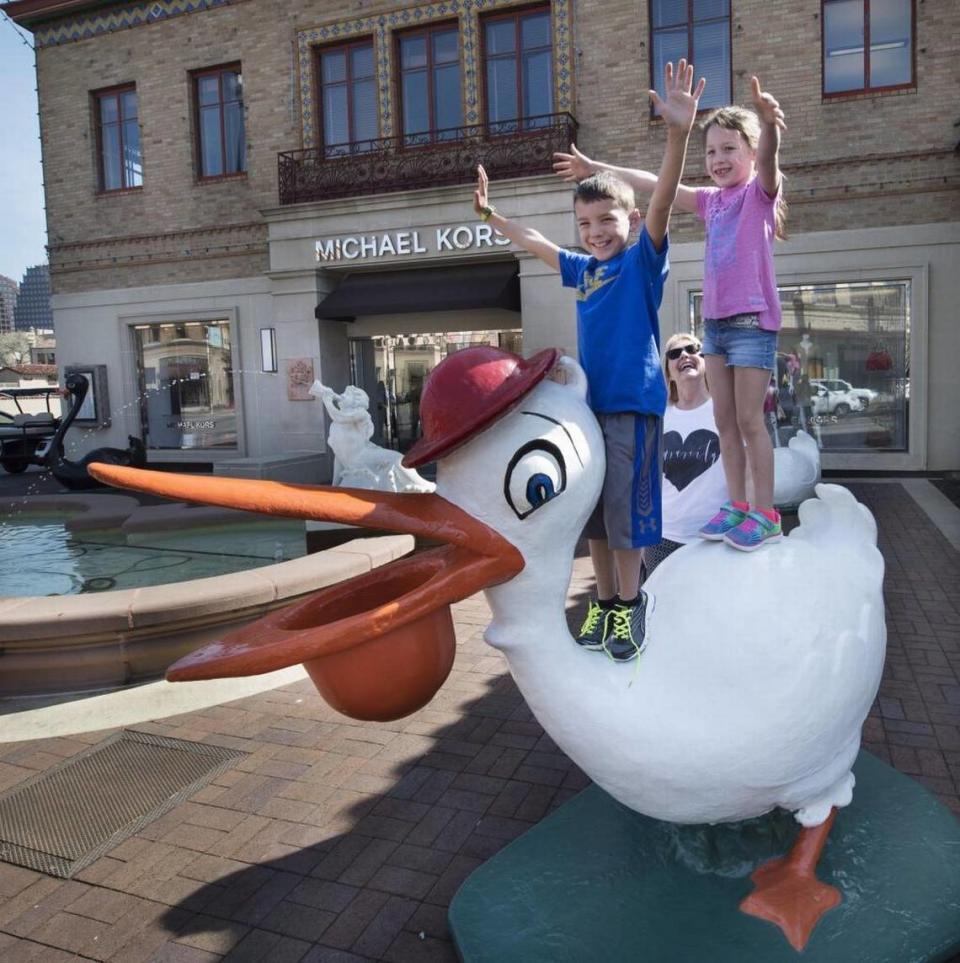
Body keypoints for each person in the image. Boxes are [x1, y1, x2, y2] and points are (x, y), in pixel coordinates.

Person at [472, 60, 705, 662]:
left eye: (607, 220)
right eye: (586, 223)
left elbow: (662, 206)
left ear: (629, 221)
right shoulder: (587, 269)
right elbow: (539, 244)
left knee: (629, 519)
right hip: (589, 413)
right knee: (597, 519)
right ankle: (604, 604)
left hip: (632, 407)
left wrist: (678, 135)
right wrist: (492, 218)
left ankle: (631, 606)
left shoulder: (639, 262)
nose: (596, 231)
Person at [554, 76, 787, 551]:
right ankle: (738, 505)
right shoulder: (710, 202)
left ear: (749, 152)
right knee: (723, 422)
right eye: (711, 152)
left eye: (729, 149)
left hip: (752, 324)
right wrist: (592, 166)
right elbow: (654, 183)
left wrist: (768, 124)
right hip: (718, 326)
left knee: (748, 421)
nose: (719, 160)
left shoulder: (758, 195)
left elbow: (769, 163)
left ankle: (765, 512)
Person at [644, 332, 728, 578]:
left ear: (704, 361)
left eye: (692, 349)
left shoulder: (724, 411)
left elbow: (745, 472)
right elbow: (648, 480)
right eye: (674, 353)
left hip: (716, 538)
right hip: (664, 538)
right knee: (660, 611)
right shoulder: (660, 417)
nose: (684, 355)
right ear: (668, 372)